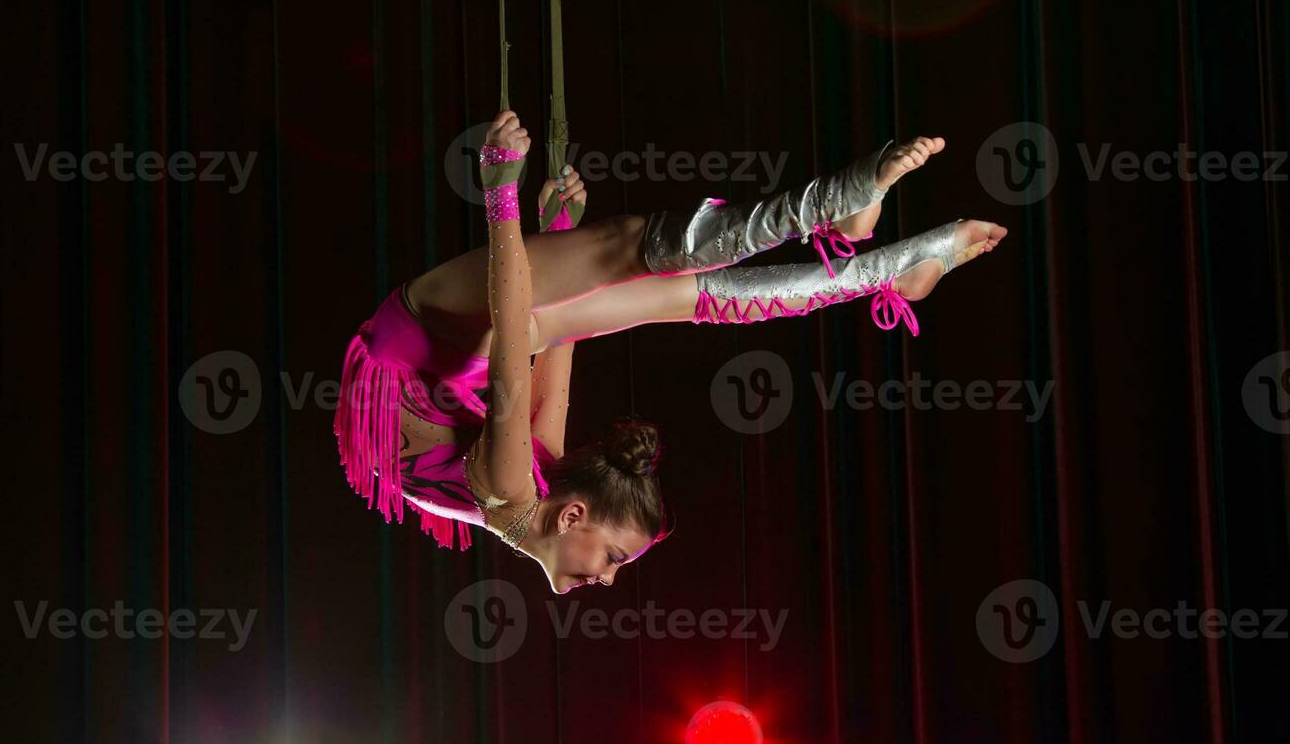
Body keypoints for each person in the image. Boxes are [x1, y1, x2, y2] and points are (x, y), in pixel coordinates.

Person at [334, 110, 1007, 594]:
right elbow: (556, 339)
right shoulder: (532, 486)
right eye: (617, 563)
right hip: (453, 362)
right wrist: (551, 239)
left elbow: (517, 332)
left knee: (619, 249)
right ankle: (889, 267)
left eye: (613, 558)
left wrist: (501, 193)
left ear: (573, 518)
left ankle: (834, 205)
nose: (606, 576)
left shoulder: (509, 489)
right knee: (676, 297)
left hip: (412, 341)